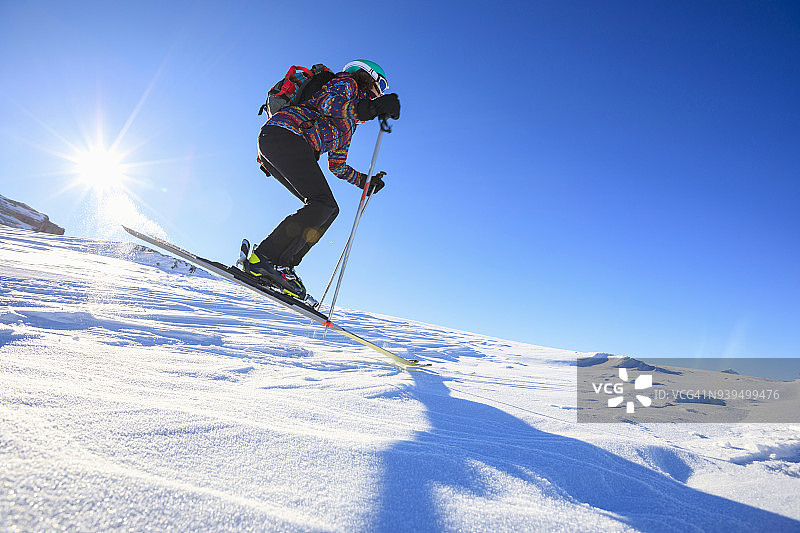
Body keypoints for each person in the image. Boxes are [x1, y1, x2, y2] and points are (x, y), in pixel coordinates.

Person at [246, 59, 400, 302]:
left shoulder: (350, 124)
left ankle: (281, 267)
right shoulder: (347, 83)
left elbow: (337, 166)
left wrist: (366, 182)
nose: (380, 91)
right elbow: (326, 103)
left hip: (284, 146)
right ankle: (262, 259)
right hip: (284, 135)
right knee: (322, 204)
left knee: (328, 208)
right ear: (367, 76)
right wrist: (371, 109)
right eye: (380, 83)